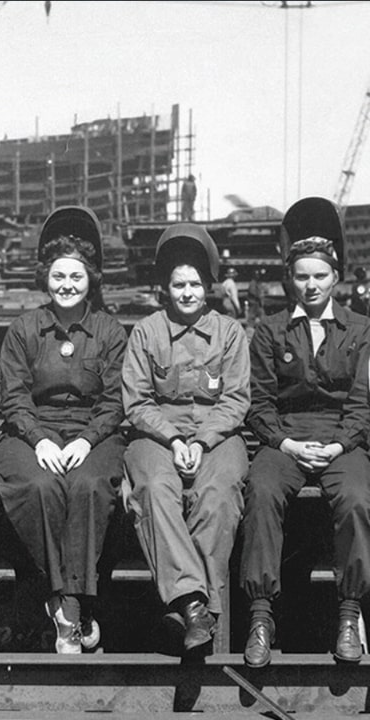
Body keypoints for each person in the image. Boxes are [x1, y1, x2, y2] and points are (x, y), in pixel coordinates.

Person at [239, 196, 370, 667]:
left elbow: (361, 402)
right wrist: (287, 444)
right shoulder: (271, 331)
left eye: (319, 276)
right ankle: (260, 615)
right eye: (301, 276)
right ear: (289, 279)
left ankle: (349, 612)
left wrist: (338, 444)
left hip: (343, 438)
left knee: (356, 496)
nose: (310, 285)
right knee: (260, 490)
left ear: (335, 277)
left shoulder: (361, 330)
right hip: (287, 438)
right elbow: (259, 403)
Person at [0, 206, 127, 654]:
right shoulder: (24, 329)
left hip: (93, 433)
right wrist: (40, 439)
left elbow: (113, 401)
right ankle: (69, 605)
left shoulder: (109, 331)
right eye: (57, 276)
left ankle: (69, 601)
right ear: (44, 278)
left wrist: (88, 439)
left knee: (90, 486)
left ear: (91, 280)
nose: (66, 285)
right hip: (32, 432)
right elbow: (13, 396)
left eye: (76, 277)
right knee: (38, 486)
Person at [122, 223, 250, 655]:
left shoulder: (230, 333)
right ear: (166, 287)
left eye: (195, 284)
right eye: (179, 284)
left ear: (208, 287)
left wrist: (203, 440)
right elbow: (137, 402)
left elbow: (235, 400)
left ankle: (190, 611)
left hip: (219, 435)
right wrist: (176, 439)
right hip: (157, 435)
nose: (188, 292)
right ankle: (197, 605)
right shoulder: (147, 332)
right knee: (154, 488)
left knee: (219, 492)